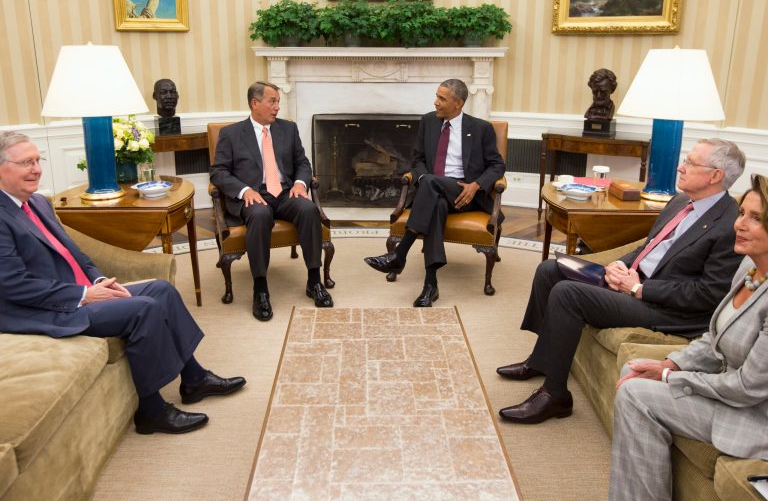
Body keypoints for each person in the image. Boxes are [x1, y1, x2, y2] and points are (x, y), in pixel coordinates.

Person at [0, 131, 246, 435]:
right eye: (26, 162)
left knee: (162, 289)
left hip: (83, 289)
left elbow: (74, 252)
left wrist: (100, 279)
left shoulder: (37, 202)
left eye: (38, 160)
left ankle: (194, 379)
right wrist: (85, 294)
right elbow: (13, 284)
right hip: (47, 307)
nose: (36, 169)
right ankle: (151, 411)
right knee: (143, 309)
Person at [496, 138, 746, 424]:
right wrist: (620, 264)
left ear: (715, 175)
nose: (680, 167)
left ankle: (555, 396)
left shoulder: (728, 225)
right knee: (550, 271)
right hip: (635, 281)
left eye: (690, 162)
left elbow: (707, 294)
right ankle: (542, 359)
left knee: (568, 294)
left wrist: (639, 288)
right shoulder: (680, 202)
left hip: (668, 310)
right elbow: (648, 246)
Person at [610, 174, 768, 501]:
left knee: (637, 395)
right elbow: (716, 339)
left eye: (755, 218)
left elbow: (748, 388)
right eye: (741, 213)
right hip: (732, 393)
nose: (739, 224)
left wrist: (673, 376)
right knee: (634, 372)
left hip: (754, 414)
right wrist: (670, 361)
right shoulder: (749, 269)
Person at [363, 79, 506, 307]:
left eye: (442, 99)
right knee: (435, 203)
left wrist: (476, 185)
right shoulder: (428, 121)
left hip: (463, 193)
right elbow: (417, 159)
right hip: (433, 191)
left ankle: (400, 255)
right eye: (436, 97)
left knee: (430, 187)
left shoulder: (481, 129)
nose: (435, 102)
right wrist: (424, 180)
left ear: (458, 103)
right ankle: (430, 285)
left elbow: (497, 165)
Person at [210, 81, 332, 321]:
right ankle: (260, 288)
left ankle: (314, 280)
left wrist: (300, 183)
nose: (277, 107)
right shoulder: (231, 134)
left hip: (286, 192)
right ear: (255, 103)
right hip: (255, 194)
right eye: (272, 101)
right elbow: (218, 172)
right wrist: (244, 190)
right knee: (260, 215)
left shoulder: (288, 129)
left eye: (278, 102)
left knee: (308, 209)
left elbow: (303, 164)